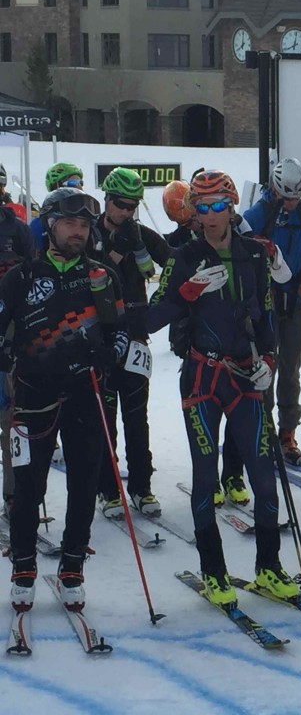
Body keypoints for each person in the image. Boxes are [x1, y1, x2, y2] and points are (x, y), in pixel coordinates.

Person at [146, 170, 299, 606]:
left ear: (232, 208)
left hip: (246, 377)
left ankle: (268, 567)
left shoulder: (254, 253)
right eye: (202, 207)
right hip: (202, 378)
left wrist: (270, 360)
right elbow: (150, 319)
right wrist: (186, 293)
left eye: (218, 207)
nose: (210, 216)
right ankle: (214, 572)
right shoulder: (183, 255)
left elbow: (267, 314)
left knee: (264, 480)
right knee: (203, 474)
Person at [3, 188, 128, 611]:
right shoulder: (21, 276)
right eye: (69, 223)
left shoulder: (101, 277)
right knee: (27, 485)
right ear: (50, 225)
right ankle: (23, 564)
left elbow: (121, 329)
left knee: (84, 483)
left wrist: (111, 352)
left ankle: (73, 564)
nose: (78, 231)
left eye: (84, 225)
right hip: (34, 395)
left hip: (87, 394)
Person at [242, 158, 301, 466]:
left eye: (297, 197)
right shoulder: (256, 215)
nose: (293, 203)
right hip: (264, 300)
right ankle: (264, 429)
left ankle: (287, 432)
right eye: (288, 197)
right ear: (275, 190)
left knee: (291, 369)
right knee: (267, 366)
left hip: (294, 297)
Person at [92, 168, 170, 521]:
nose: (127, 212)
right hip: (101, 336)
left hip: (136, 334)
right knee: (104, 417)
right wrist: (117, 255)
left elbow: (171, 261)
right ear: (107, 200)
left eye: (133, 205)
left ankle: (141, 485)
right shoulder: (89, 231)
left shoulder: (138, 232)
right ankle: (107, 488)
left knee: (137, 415)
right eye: (121, 204)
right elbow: (91, 276)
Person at [0, 184, 34, 517]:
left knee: (11, 418)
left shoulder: (17, 229)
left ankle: (14, 495)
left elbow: (34, 273)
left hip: (9, 329)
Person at [30, 163, 85, 251]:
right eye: (73, 182)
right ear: (56, 186)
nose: (79, 187)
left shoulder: (87, 218)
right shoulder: (39, 224)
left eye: (81, 183)